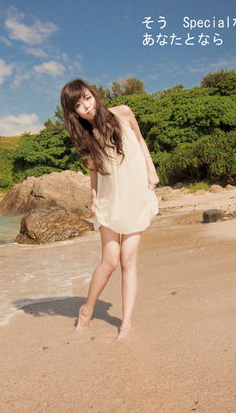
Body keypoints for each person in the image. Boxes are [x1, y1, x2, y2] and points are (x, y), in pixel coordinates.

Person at [60, 79, 159, 340]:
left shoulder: (123, 112)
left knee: (128, 260)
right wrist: (93, 197)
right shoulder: (86, 137)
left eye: (87, 98)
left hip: (136, 193)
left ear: (94, 94)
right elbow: (94, 171)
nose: (86, 106)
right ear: (73, 113)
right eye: (78, 105)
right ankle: (86, 309)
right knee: (110, 261)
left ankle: (126, 323)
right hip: (110, 198)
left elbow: (141, 141)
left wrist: (151, 169)